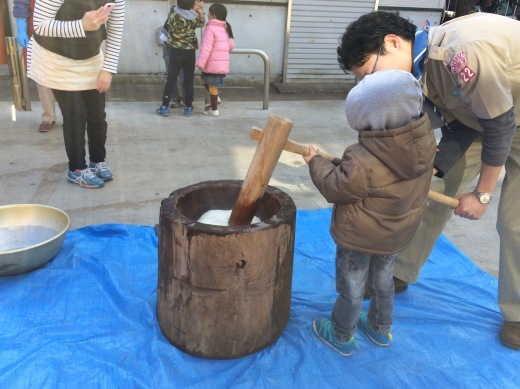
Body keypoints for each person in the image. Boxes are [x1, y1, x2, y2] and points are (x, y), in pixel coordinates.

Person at [336, 10, 520, 350]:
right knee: (425, 190)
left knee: (514, 223)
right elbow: (464, 120)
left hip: (508, 121)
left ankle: (518, 315)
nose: (369, 86)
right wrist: (434, 167)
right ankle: (399, 271)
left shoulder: (462, 52)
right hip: (487, 121)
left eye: (368, 74)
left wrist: (482, 194)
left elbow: (500, 125)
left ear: (392, 43)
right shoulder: (415, 73)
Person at [304, 70, 436, 356]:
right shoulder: (426, 146)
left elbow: (334, 186)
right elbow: (369, 179)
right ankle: (379, 328)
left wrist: (315, 163)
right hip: (396, 235)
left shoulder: (362, 158)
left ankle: (342, 334)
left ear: (369, 119)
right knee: (383, 281)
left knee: (352, 287)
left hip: (359, 238)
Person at [27, 0, 125, 189]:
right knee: (76, 114)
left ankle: (97, 161)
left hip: (89, 55)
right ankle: (76, 169)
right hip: (55, 56)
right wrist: (81, 25)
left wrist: (108, 69)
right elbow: (40, 25)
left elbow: (115, 30)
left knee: (97, 113)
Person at [12, 0, 59, 133]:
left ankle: (73, 117)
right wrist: (21, 27)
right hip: (37, 33)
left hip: (65, 29)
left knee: (68, 76)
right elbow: (21, 3)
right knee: (42, 76)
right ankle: (49, 118)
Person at [156, 0, 205, 118]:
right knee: (188, 80)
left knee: (171, 79)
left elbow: (170, 18)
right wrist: (199, 12)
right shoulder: (195, 17)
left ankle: (165, 106)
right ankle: (188, 107)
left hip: (175, 51)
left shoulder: (173, 13)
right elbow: (201, 23)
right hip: (190, 52)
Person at [195, 3, 234, 117]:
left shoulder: (210, 28)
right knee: (205, 82)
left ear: (213, 15)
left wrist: (200, 63)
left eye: (209, 12)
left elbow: (206, 48)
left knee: (211, 86)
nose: (207, 14)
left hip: (211, 64)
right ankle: (215, 99)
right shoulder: (225, 27)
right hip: (220, 65)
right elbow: (231, 46)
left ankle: (214, 110)